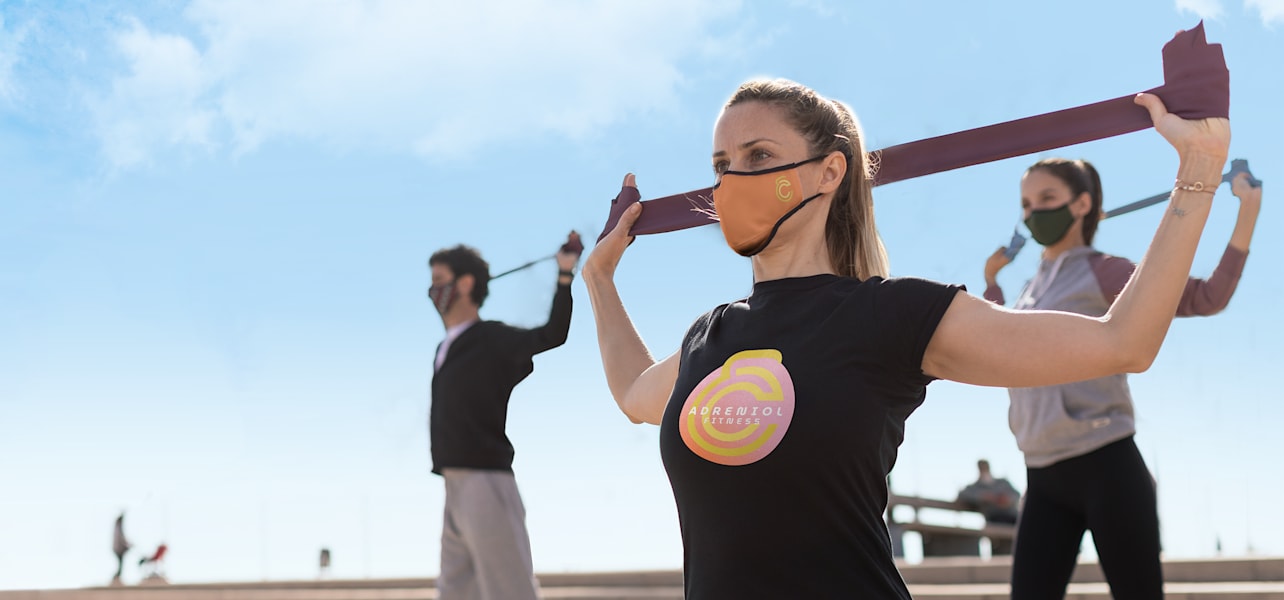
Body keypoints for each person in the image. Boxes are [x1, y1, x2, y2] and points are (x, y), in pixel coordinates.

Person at [584, 77, 1230, 599]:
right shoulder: (711, 335)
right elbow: (635, 394)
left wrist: (1199, 171)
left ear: (828, 172)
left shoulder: (892, 315)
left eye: (759, 157)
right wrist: (599, 280)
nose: (732, 181)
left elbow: (1124, 343)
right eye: (722, 165)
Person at [981, 157, 1259, 598]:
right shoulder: (1031, 288)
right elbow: (1004, 347)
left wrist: (1249, 208)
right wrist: (992, 281)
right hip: (1041, 473)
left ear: (1081, 204)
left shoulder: (1102, 270)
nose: (1033, 213)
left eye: (1047, 198)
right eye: (1027, 204)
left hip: (1106, 466)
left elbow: (1207, 296)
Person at [427, 233, 581, 600]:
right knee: (455, 592)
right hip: (453, 484)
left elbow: (552, 334)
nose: (432, 291)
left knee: (510, 590)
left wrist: (564, 275)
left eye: (439, 281)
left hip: (486, 482)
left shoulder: (491, 339)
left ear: (465, 284)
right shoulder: (445, 347)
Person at [111, 512, 131, 584]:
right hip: (119, 549)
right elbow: (121, 538)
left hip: (118, 548)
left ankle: (117, 577)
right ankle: (117, 577)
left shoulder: (117, 526)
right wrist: (127, 545)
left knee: (120, 564)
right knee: (120, 564)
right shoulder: (119, 527)